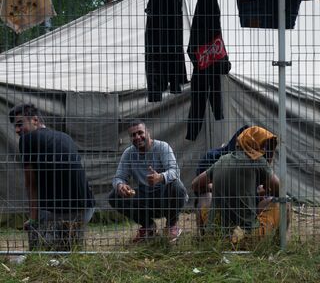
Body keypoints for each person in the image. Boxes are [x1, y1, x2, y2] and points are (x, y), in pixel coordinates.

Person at [9, 103, 95, 249]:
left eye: (20, 124)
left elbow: (31, 184)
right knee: (69, 251)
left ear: (35, 120)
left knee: (42, 251)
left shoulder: (27, 139)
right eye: (15, 126)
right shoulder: (65, 136)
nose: (17, 130)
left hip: (57, 214)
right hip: (86, 209)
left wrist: (33, 219)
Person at [192, 126, 282, 239]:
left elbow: (195, 185)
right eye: (263, 145)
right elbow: (280, 190)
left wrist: (219, 189)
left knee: (205, 197)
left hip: (218, 234)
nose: (264, 150)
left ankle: (206, 238)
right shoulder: (258, 161)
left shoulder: (222, 160)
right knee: (284, 202)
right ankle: (280, 245)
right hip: (245, 237)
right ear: (255, 143)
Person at [108, 120, 188, 243]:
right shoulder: (128, 153)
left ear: (148, 132)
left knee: (177, 185)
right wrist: (120, 185)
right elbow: (118, 177)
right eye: (133, 135)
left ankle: (171, 225)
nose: (137, 137)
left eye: (140, 133)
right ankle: (148, 226)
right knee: (114, 195)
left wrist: (160, 177)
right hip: (144, 197)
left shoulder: (162, 147)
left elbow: (175, 171)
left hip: (163, 195)